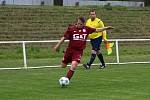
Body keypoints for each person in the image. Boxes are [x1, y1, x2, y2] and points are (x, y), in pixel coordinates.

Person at [53, 17, 113, 81]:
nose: (79, 25)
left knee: (73, 66)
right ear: (76, 22)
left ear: (83, 24)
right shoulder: (71, 29)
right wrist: (57, 46)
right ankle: (71, 59)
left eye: (81, 24)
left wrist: (106, 28)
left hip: (78, 52)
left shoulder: (86, 29)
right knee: (63, 66)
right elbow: (64, 38)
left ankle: (67, 79)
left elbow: (97, 30)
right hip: (69, 51)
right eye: (78, 23)